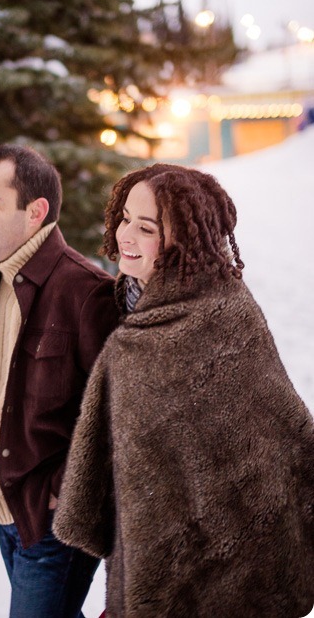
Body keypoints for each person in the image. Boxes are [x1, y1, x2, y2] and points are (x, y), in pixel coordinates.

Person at [54, 163, 314, 618]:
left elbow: (281, 437)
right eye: (124, 218)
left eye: (146, 226)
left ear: (184, 241)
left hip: (233, 582)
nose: (124, 234)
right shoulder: (132, 312)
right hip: (140, 561)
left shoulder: (226, 316)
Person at [0, 143, 119, 618]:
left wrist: (63, 492)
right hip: (4, 508)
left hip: (53, 522)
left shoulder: (88, 293)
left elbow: (118, 417)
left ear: (36, 212)